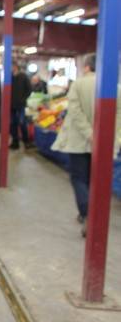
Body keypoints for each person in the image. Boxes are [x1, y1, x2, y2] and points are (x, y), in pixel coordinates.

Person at [51, 55, 121, 237]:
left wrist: (89, 133)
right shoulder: (116, 88)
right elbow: (119, 119)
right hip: (105, 143)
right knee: (95, 179)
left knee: (79, 178)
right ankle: (92, 214)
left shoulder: (79, 84)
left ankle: (87, 213)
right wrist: (114, 138)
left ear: (88, 67)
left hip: (79, 142)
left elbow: (74, 110)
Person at [10, 63, 33, 150]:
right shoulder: (10, 77)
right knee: (13, 124)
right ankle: (15, 142)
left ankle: (26, 142)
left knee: (22, 123)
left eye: (12, 66)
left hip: (20, 105)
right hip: (11, 106)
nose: (11, 68)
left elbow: (29, 89)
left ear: (16, 67)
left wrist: (23, 99)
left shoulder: (24, 77)